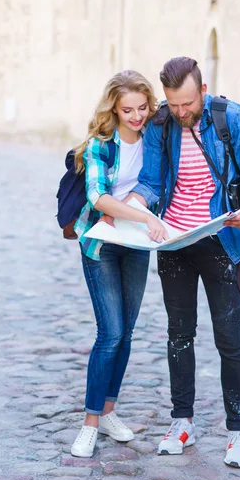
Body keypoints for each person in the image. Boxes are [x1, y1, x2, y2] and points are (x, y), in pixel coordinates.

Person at [127, 56, 240, 468]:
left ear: (202, 92)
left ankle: (238, 433)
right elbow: (151, 182)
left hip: (220, 239)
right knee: (178, 335)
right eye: (173, 104)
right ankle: (181, 422)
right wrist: (130, 208)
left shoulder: (232, 117)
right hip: (174, 242)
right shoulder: (160, 124)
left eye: (187, 103)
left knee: (229, 337)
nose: (180, 112)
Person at [70, 70, 168, 458]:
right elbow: (97, 196)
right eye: (128, 109)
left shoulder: (153, 142)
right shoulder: (101, 144)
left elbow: (158, 184)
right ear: (114, 106)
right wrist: (142, 215)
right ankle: (90, 423)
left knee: (126, 332)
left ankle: (109, 411)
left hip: (136, 244)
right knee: (109, 333)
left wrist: (143, 217)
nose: (137, 116)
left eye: (143, 108)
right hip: (102, 244)